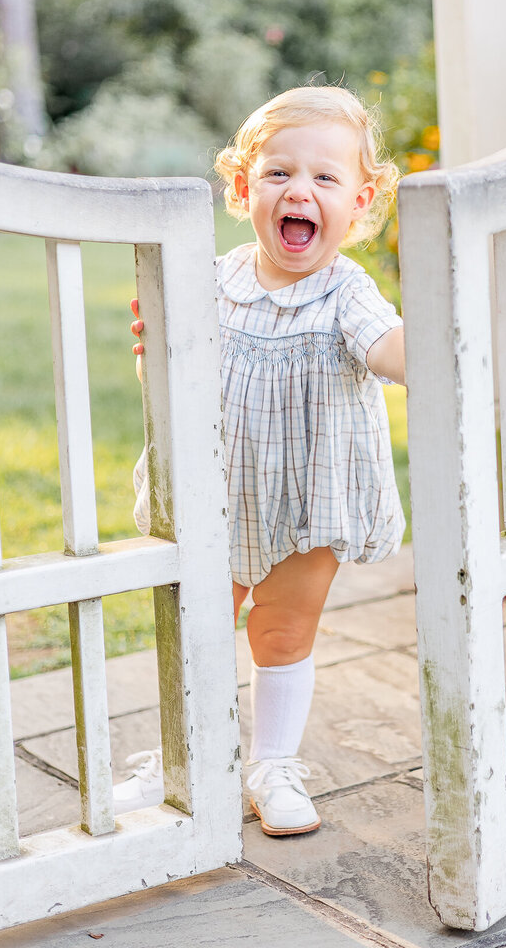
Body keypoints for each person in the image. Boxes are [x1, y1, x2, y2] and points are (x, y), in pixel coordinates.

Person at [113, 85, 406, 836]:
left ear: (360, 202)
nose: (299, 190)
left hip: (308, 494)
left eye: (325, 178)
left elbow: (390, 351)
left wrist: (442, 328)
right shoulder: (209, 280)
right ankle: (187, 756)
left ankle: (273, 764)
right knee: (200, 622)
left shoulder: (348, 291)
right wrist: (153, 358)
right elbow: (170, 379)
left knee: (282, 631)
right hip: (220, 490)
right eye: (278, 173)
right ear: (243, 189)